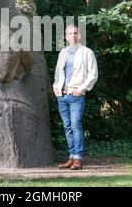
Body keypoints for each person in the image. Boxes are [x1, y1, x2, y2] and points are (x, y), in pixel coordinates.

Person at [53, 24, 98, 170]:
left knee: (76, 125)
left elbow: (93, 74)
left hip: (76, 95)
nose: (73, 36)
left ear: (79, 35)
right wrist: (55, 86)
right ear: (66, 37)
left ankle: (78, 158)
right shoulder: (63, 53)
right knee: (67, 127)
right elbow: (58, 73)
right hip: (62, 95)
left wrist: (81, 89)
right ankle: (71, 157)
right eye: (70, 33)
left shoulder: (87, 52)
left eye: (75, 33)